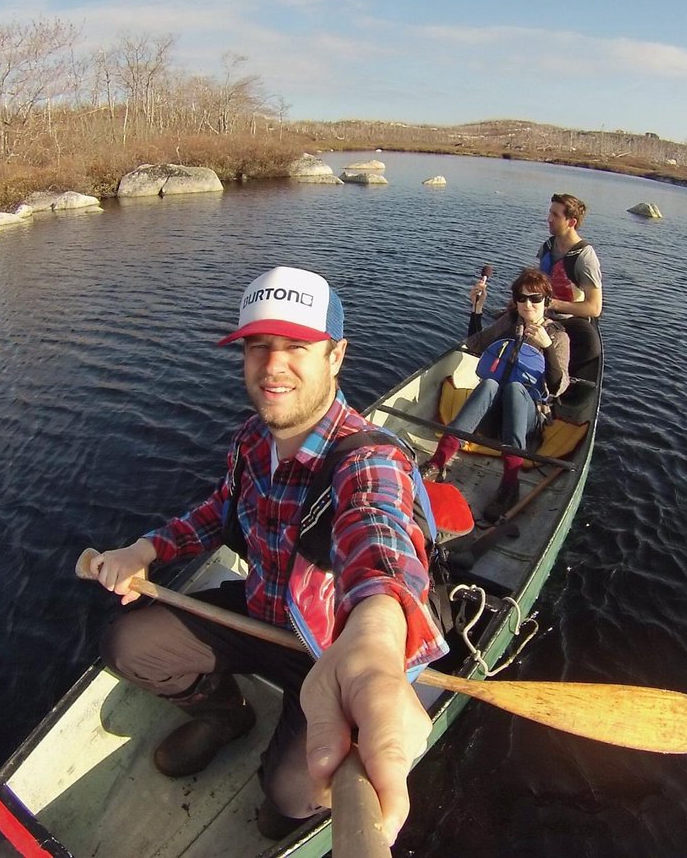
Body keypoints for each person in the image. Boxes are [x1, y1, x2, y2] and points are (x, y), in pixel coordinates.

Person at [88, 265, 446, 845]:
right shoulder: (252, 439)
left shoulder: (368, 460)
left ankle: (288, 790)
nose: (273, 365)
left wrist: (375, 643)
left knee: (285, 800)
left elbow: (378, 540)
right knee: (128, 645)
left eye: (296, 346)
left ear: (336, 355)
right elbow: (219, 511)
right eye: (258, 346)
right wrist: (145, 547)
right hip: (258, 613)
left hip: (330, 655)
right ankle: (228, 715)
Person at [421, 268, 569, 522]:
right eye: (521, 298)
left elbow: (557, 388)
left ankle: (510, 484)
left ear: (546, 301)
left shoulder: (557, 336)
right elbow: (476, 345)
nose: (528, 305)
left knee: (515, 388)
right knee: (490, 383)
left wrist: (547, 347)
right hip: (492, 420)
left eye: (535, 298)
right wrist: (477, 309)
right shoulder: (510, 323)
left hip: (527, 421)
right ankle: (438, 463)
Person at [534, 192, 603, 367]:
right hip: (541, 314)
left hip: (570, 319)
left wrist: (553, 304)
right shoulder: (548, 246)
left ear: (571, 222)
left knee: (591, 346)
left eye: (555, 215)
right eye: (550, 213)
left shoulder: (584, 257)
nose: (549, 219)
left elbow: (594, 308)